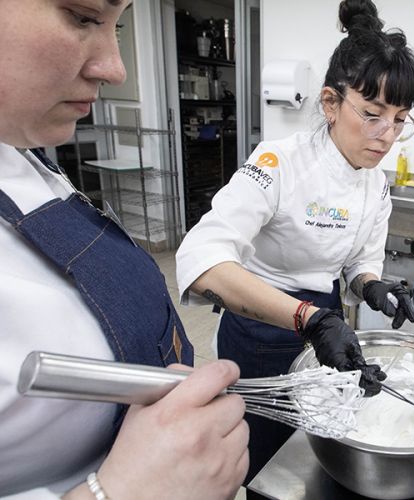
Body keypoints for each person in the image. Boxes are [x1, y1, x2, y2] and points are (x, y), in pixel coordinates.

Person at [0, 1, 248, 499]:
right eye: (84, 15)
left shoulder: (22, 154)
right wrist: (119, 491)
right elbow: (204, 252)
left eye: (120, 25)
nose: (116, 69)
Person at [175, 0, 414, 484]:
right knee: (265, 461)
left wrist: (372, 286)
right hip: (261, 329)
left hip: (327, 327)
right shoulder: (278, 164)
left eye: (400, 119)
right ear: (330, 103)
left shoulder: (375, 182)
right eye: (373, 115)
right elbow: (201, 260)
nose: (387, 135)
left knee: (317, 446)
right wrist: (308, 318)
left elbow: (359, 262)